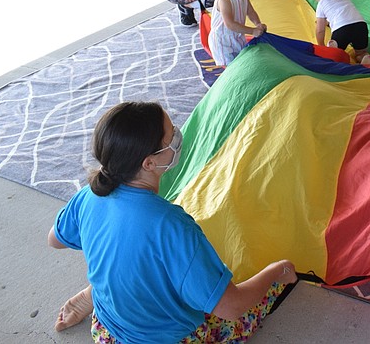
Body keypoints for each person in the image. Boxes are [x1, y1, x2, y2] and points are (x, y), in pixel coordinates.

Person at [48, 102, 297, 342]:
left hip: (106, 330)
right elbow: (231, 307)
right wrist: (275, 272)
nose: (178, 136)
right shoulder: (172, 225)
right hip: (167, 339)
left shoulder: (89, 195)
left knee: (132, 260)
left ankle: (96, 292)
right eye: (171, 137)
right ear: (149, 163)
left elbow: (54, 240)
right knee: (252, 302)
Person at [308, 0, 370, 65]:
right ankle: (364, 58)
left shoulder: (321, 3)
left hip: (342, 30)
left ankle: (333, 50)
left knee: (334, 56)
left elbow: (320, 30)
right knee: (361, 52)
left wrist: (321, 46)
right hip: (360, 26)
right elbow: (341, 14)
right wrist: (328, 22)